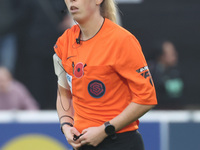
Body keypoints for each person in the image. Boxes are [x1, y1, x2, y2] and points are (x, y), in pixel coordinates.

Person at [53, 0, 157, 150]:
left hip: (120, 142)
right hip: (84, 143)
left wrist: (105, 130)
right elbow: (64, 93)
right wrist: (66, 126)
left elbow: (146, 99)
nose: (71, 1)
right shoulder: (64, 42)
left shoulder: (122, 40)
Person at [149, 40, 184, 109]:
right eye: (172, 53)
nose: (175, 56)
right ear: (161, 56)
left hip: (173, 109)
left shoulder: (176, 71)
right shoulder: (151, 71)